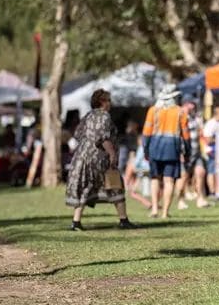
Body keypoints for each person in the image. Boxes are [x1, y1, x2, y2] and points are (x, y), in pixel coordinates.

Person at [65, 89, 137, 230]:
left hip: (82, 156)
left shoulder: (88, 116)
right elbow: (102, 137)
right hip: (98, 157)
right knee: (115, 184)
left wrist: (87, 144)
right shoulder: (104, 116)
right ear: (102, 102)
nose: (110, 103)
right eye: (108, 100)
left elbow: (78, 134)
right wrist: (112, 153)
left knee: (85, 187)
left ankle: (76, 222)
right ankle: (123, 220)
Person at [142, 87, 190, 219]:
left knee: (155, 179)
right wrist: (187, 152)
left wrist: (145, 149)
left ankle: (155, 210)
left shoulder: (153, 110)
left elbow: (146, 133)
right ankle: (165, 212)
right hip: (172, 149)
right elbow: (186, 135)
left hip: (155, 148)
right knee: (169, 181)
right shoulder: (180, 112)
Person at [175, 100, 209, 209]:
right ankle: (180, 200)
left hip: (196, 152)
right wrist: (180, 153)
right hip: (185, 153)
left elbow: (201, 134)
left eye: (192, 107)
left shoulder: (196, 118)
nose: (191, 109)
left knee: (200, 173)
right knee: (183, 177)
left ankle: (200, 199)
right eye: (189, 107)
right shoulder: (179, 118)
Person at [202, 106, 219, 198]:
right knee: (211, 171)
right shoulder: (210, 124)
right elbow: (207, 139)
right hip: (212, 152)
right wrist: (218, 139)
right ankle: (212, 192)